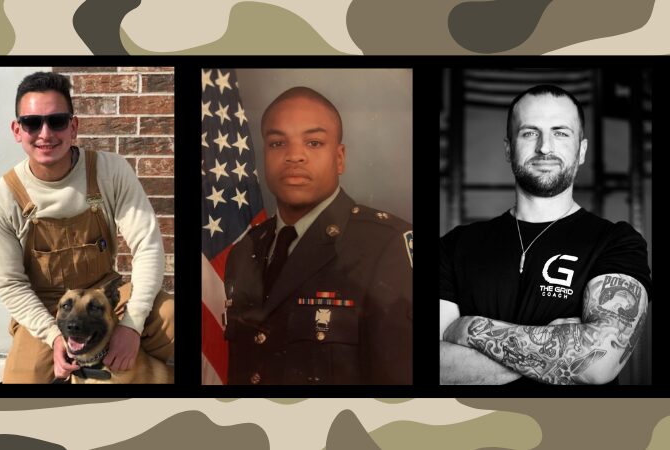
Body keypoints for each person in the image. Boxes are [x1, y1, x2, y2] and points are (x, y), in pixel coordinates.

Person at [439, 85, 651, 385]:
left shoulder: (616, 242)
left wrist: (470, 328)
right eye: (529, 133)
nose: (545, 148)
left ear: (582, 151)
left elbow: (598, 363)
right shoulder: (454, 245)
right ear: (508, 149)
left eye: (561, 133)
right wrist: (562, 348)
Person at [0, 71, 174, 383]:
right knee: (23, 381)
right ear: (17, 130)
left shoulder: (110, 171)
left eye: (56, 121)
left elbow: (148, 247)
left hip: (105, 295)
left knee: (173, 318)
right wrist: (53, 336)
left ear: (73, 126)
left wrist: (132, 325)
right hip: (44, 306)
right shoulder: (2, 198)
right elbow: (11, 285)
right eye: (32, 123)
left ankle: (139, 371)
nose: (45, 133)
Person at [223, 86, 413, 385]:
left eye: (313, 142)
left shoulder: (384, 245)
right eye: (277, 143)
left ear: (339, 158)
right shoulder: (244, 251)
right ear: (264, 156)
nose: (294, 156)